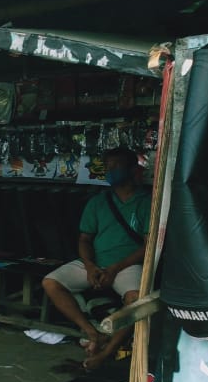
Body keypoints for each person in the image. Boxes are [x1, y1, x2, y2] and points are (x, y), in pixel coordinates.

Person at [42, 147, 151, 370]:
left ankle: (107, 352)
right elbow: (84, 239)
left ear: (132, 169)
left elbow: (149, 246)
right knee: (51, 283)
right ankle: (92, 332)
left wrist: (115, 268)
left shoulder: (146, 202)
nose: (110, 171)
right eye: (108, 167)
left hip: (127, 265)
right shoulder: (98, 202)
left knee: (136, 299)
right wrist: (90, 266)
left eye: (116, 166)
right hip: (96, 264)